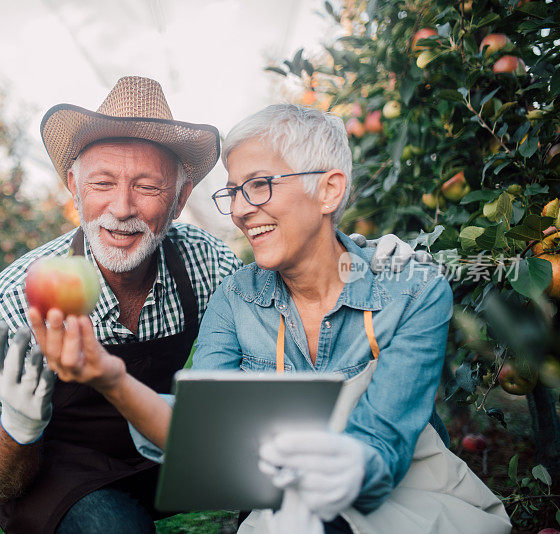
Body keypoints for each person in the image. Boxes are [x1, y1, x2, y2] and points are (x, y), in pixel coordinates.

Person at [25, 104, 512, 533]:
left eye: (258, 187)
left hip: (401, 499)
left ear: (329, 191)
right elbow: (197, 428)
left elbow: (382, 445)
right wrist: (112, 380)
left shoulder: (412, 289)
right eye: (233, 191)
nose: (239, 210)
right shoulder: (236, 296)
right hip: (288, 501)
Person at [0, 77, 418, 534]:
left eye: (148, 187)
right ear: (75, 187)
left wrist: (353, 255)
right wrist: (19, 426)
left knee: (286, 488)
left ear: (180, 199)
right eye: (103, 182)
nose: (122, 207)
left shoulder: (204, 262)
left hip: (167, 451)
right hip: (65, 473)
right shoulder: (19, 294)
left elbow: (288, 279)